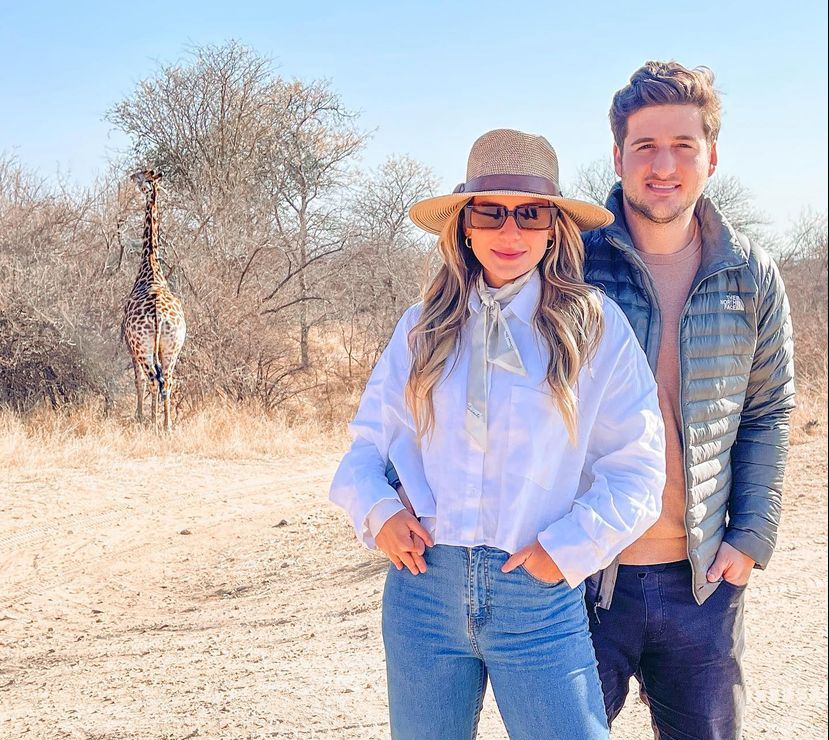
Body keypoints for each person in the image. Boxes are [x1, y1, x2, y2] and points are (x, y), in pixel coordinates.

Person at [330, 128, 667, 740]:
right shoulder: (423, 328)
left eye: (530, 214)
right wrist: (378, 511)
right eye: (491, 212)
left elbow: (639, 468)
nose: (510, 234)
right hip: (423, 595)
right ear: (463, 223)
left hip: (535, 596)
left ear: (553, 227)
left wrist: (563, 552)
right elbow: (366, 447)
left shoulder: (593, 326)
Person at [581, 61, 796, 739]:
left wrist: (750, 535)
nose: (663, 165)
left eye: (682, 145)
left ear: (710, 156)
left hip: (700, 580)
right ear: (617, 157)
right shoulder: (571, 265)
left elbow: (765, 411)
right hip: (582, 572)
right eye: (644, 146)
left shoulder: (749, 272)